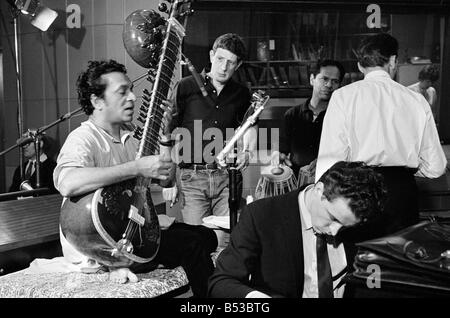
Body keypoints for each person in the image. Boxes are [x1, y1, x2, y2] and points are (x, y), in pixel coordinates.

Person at [53, 59, 218, 297]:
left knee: (207, 236)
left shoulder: (130, 139)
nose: (132, 97)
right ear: (97, 101)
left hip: (131, 231)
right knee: (192, 245)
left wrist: (165, 135)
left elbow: (166, 180)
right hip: (99, 248)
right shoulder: (83, 138)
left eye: (131, 89)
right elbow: (68, 182)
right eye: (122, 92)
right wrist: (136, 167)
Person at [315, 33, 447, 244]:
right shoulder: (416, 101)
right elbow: (436, 167)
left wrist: (321, 206)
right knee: (399, 266)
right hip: (402, 194)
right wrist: (405, 166)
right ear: (393, 61)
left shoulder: (343, 97)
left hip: (356, 190)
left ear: (360, 65)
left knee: (360, 264)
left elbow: (330, 160)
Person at [208, 161, 387, 298]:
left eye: (346, 226)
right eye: (333, 218)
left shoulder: (366, 227)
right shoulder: (262, 216)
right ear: (319, 190)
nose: (335, 231)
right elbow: (221, 282)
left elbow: (373, 282)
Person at [163, 33, 257, 244]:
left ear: (238, 65)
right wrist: (167, 180)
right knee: (198, 243)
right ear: (212, 55)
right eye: (220, 59)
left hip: (227, 179)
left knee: (224, 242)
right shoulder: (185, 87)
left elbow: (251, 125)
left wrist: (247, 152)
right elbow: (167, 132)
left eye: (231, 63)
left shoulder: (242, 94)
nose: (224, 67)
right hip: (192, 178)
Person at [272, 59, 345, 182]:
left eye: (335, 81)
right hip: (296, 182)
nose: (329, 85)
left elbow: (345, 153)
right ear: (312, 79)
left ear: (339, 86)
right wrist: (278, 155)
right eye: (324, 79)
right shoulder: (292, 114)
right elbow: (281, 149)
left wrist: (324, 162)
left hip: (329, 183)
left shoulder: (341, 117)